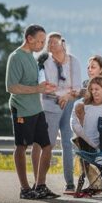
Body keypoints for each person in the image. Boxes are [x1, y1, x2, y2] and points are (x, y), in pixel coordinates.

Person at [5, 24, 59, 200]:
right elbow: (11, 86)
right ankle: (25, 189)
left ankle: (40, 185)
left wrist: (45, 87)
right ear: (29, 39)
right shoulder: (16, 57)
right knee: (21, 147)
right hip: (21, 109)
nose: (43, 45)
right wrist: (37, 88)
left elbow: (34, 84)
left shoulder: (32, 57)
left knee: (47, 146)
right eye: (40, 41)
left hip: (37, 109)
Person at [41, 33, 83, 193]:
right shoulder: (45, 62)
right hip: (50, 103)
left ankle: (69, 183)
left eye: (54, 42)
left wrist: (66, 95)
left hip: (68, 102)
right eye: (48, 43)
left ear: (62, 44)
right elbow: (45, 86)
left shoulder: (73, 62)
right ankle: (41, 183)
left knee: (67, 141)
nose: (50, 45)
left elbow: (77, 87)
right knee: (47, 143)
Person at [70, 75, 102, 197]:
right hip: (90, 147)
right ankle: (97, 181)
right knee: (80, 139)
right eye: (91, 89)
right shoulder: (82, 106)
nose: (93, 92)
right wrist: (92, 143)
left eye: (97, 89)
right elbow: (74, 126)